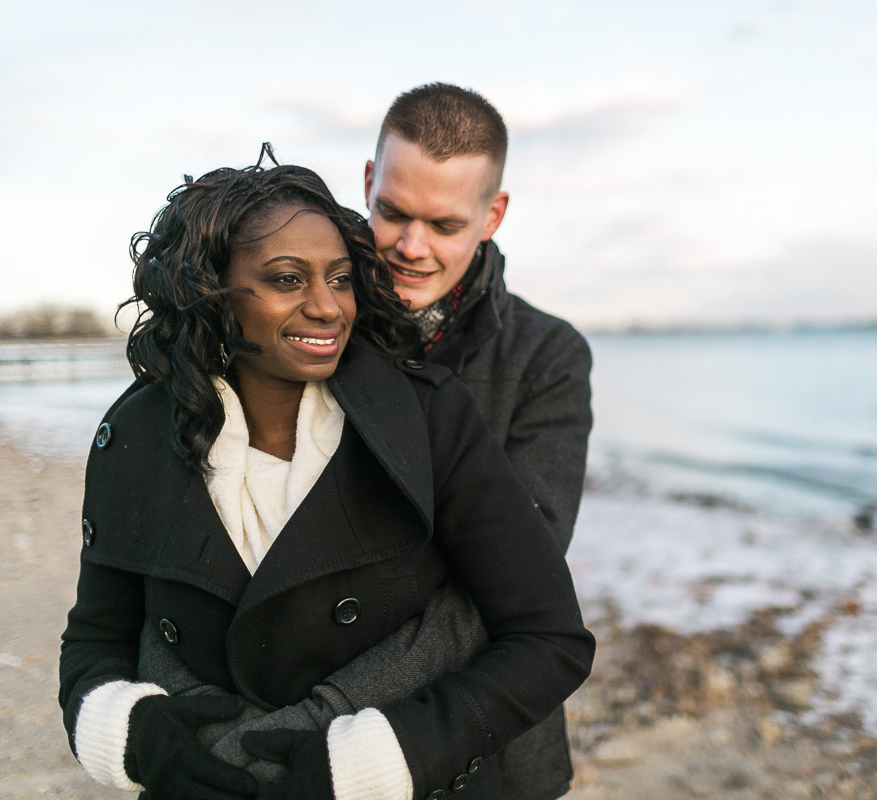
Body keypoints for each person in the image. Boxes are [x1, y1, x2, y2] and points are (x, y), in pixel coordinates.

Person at [59, 154, 594, 800]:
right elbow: (97, 635)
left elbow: (547, 632)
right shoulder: (136, 435)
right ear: (209, 288)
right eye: (288, 279)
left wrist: (385, 757)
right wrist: (134, 734)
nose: (326, 307)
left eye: (339, 280)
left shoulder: (429, 416)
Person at [364, 86, 593, 797]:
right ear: (368, 181)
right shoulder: (314, 323)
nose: (411, 245)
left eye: (443, 223)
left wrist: (353, 708)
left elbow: (519, 574)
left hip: (492, 738)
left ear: (492, 215)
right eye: (394, 212)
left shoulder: (548, 357)